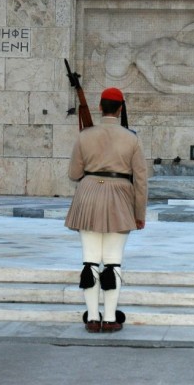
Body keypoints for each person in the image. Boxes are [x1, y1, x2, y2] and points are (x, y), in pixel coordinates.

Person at [65, 87, 148, 333]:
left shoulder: (85, 136)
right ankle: (110, 318)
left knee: (90, 260)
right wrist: (139, 213)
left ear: (100, 107)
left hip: (89, 195)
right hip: (120, 198)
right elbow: (141, 180)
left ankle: (92, 317)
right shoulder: (132, 138)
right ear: (120, 109)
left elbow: (74, 174)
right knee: (113, 263)